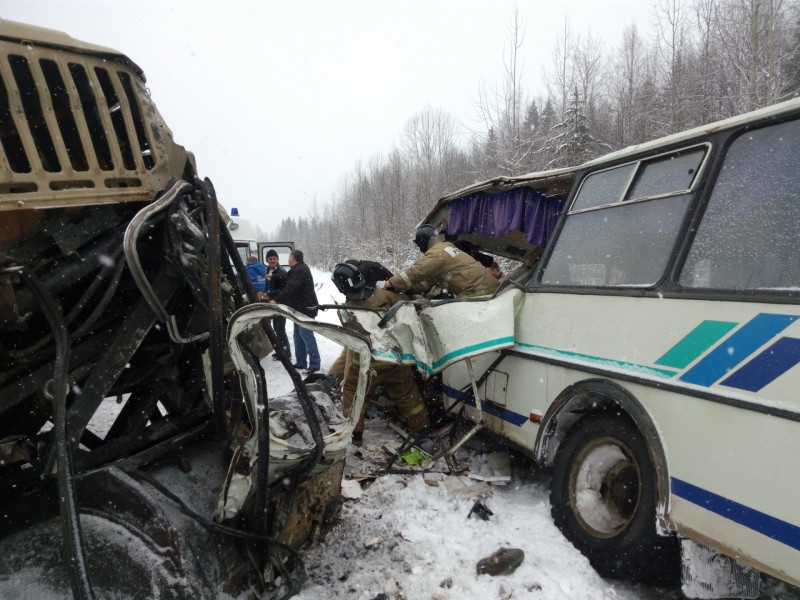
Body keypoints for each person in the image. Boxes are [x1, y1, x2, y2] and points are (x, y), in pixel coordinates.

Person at [332, 263, 430, 446]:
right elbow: (408, 303)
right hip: (393, 359)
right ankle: (422, 430)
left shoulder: (344, 311)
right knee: (406, 394)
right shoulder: (385, 296)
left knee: (353, 393)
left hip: (365, 365)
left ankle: (355, 434)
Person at [384, 224, 499, 298]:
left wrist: (390, 283)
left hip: (478, 292)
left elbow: (416, 272)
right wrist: (409, 289)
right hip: (488, 287)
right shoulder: (446, 248)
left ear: (423, 242)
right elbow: (429, 280)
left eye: (419, 244)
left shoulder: (437, 253)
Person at [269, 249, 320, 374]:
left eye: (289, 258)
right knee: (297, 335)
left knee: (306, 335)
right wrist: (273, 276)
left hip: (306, 309)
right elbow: (285, 277)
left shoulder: (301, 269)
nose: (288, 260)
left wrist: (276, 299)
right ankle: (301, 362)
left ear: (292, 259)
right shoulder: (297, 269)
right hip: (298, 308)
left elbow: (291, 287)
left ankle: (315, 364)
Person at [264, 249, 290, 361]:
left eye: (274, 258)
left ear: (277, 259)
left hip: (280, 303)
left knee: (280, 329)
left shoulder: (282, 272)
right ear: (267, 260)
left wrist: (270, 293)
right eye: (270, 259)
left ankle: (286, 353)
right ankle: (280, 351)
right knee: (276, 328)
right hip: (271, 303)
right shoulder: (268, 270)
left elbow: (284, 290)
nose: (272, 260)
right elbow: (268, 285)